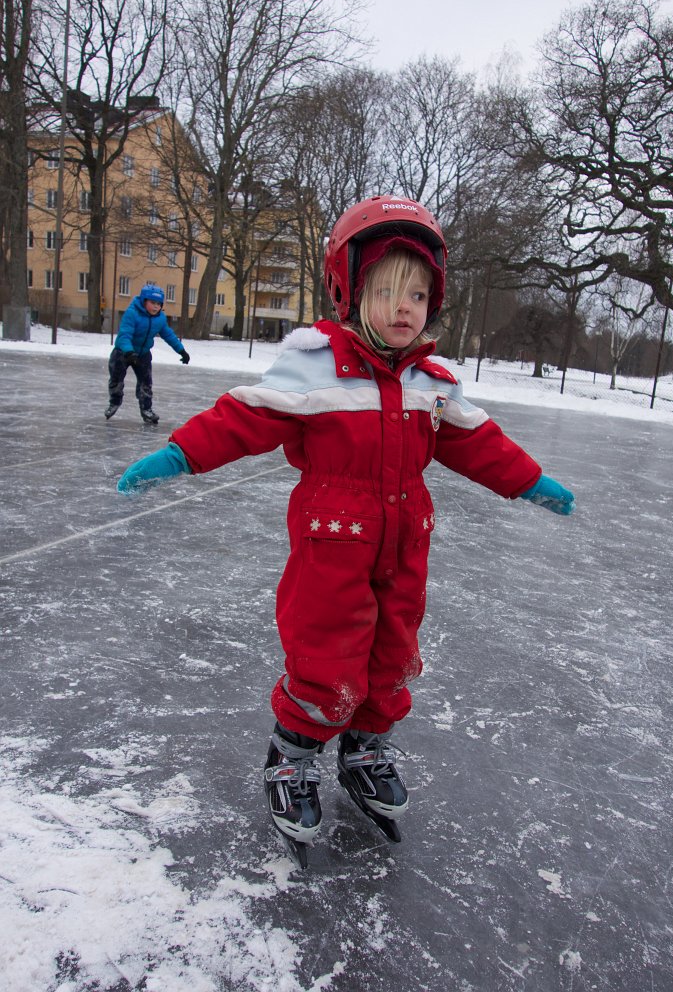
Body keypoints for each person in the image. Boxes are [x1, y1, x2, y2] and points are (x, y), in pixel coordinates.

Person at [116, 195, 575, 866]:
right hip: (332, 542)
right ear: (349, 289)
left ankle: (365, 748)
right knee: (326, 655)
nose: (403, 307)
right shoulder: (316, 366)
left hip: (405, 544)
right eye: (386, 291)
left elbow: (481, 443)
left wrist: (531, 480)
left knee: (391, 654)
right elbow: (244, 418)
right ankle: (293, 756)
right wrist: (180, 453)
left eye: (417, 294)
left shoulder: (432, 382)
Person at [105, 283, 190, 424]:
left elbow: (168, 335)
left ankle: (146, 409)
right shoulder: (132, 313)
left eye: (159, 304)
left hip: (143, 354)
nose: (156, 306)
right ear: (144, 301)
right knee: (116, 379)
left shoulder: (160, 318)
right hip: (122, 353)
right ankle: (114, 402)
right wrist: (129, 351)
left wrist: (181, 351)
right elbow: (125, 334)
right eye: (152, 303)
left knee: (146, 383)